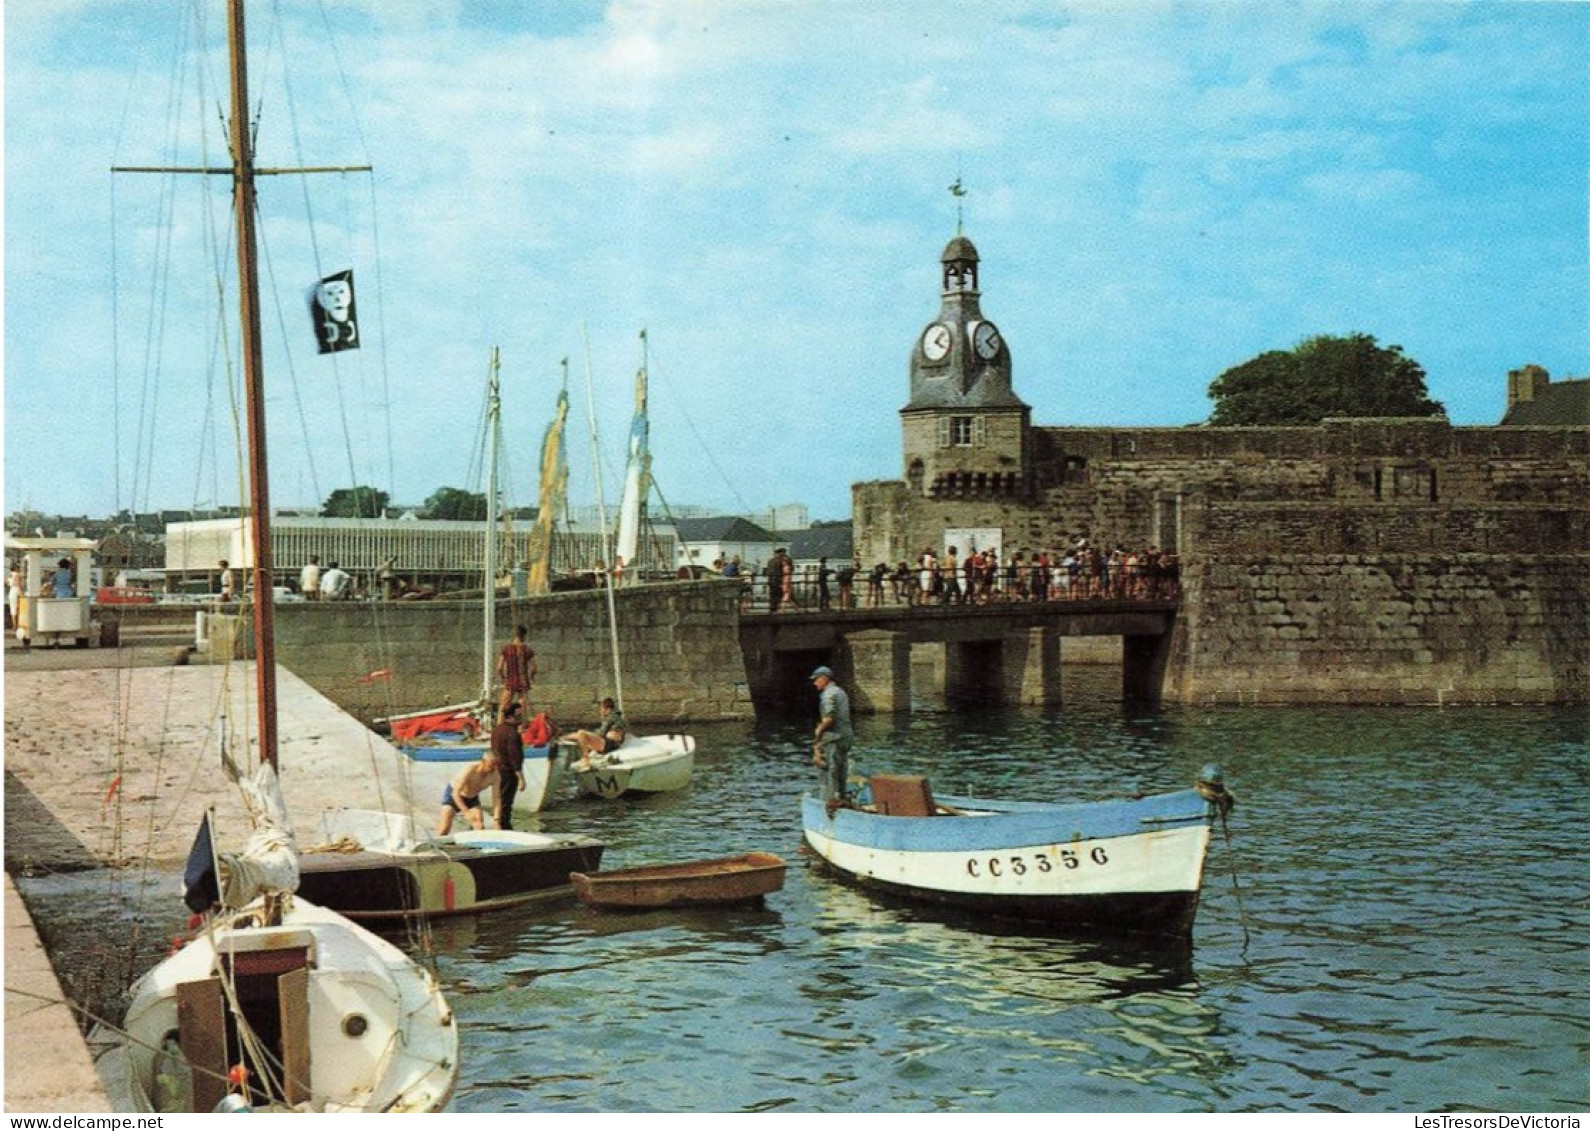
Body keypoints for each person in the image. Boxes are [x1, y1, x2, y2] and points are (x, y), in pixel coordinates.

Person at [810, 666, 854, 813]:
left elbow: (829, 718)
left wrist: (818, 731)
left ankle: (829, 805)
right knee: (841, 770)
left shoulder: (828, 695)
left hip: (833, 738)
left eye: (816, 680)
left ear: (824, 678)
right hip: (846, 737)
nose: (814, 683)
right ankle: (841, 799)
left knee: (829, 771)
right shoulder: (841, 692)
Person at [436, 750, 500, 835]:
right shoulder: (470, 769)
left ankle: (477, 845)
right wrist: (466, 812)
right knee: (444, 828)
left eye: (496, 765)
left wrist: (496, 820)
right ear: (483, 762)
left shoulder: (495, 776)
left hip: (472, 798)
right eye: (491, 765)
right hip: (454, 795)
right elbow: (455, 793)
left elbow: (496, 799)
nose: (493, 768)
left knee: (479, 826)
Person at [492, 702, 527, 830]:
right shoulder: (512, 733)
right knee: (506, 802)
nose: (521, 718)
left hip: (498, 770)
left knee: (499, 799)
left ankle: (499, 823)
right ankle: (504, 826)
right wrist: (521, 778)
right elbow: (514, 757)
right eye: (519, 715)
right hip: (508, 772)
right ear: (512, 716)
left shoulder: (497, 730)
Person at [570, 697, 627, 769]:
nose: (600, 711)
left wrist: (594, 733)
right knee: (578, 735)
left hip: (609, 744)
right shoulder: (617, 717)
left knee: (582, 733)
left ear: (608, 709)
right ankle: (585, 757)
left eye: (601, 708)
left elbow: (602, 733)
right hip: (610, 744)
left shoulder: (612, 718)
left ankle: (586, 761)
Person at [496, 624, 537, 722]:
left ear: (515, 634)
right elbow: (534, 667)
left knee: (504, 704)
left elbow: (499, 668)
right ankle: (522, 725)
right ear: (524, 635)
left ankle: (499, 725)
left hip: (510, 680)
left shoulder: (507, 649)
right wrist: (531, 677)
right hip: (523, 681)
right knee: (522, 704)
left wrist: (503, 678)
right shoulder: (528, 650)